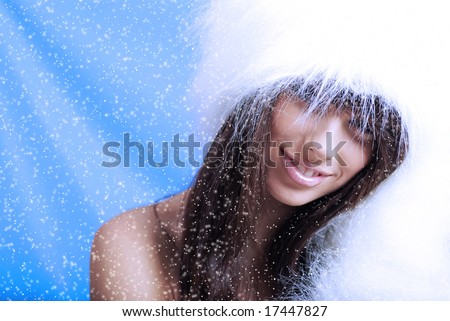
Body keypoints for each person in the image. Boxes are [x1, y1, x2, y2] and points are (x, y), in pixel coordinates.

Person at [90, 1, 409, 300]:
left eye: (364, 126)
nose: (319, 149)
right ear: (253, 96)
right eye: (309, 98)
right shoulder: (134, 242)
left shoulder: (369, 267)